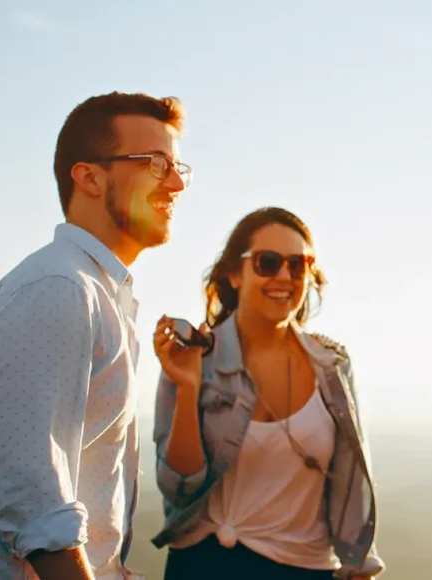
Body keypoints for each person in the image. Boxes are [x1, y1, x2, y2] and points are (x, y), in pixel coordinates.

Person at [0, 92, 189, 579]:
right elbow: (37, 508)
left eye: (179, 165)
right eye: (157, 163)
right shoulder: (58, 288)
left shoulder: (100, 293)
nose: (177, 182)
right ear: (89, 177)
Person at [150, 207, 383, 580]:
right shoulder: (194, 356)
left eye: (299, 265)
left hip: (305, 569)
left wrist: (359, 566)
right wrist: (187, 386)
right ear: (233, 273)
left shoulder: (333, 367)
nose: (284, 276)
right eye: (268, 262)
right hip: (203, 566)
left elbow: (350, 481)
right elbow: (180, 488)